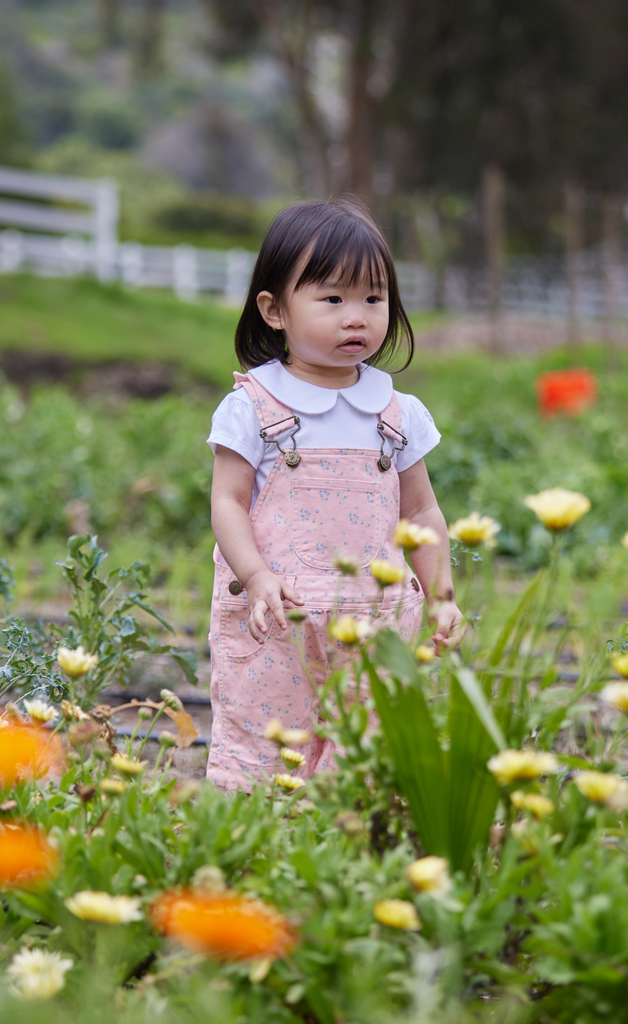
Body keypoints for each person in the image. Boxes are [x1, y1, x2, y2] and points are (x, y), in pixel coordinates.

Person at [205, 198, 465, 791]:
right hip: (277, 613)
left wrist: (444, 595)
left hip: (374, 618)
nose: (358, 317)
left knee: (367, 746)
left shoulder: (397, 412)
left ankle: (342, 849)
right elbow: (228, 503)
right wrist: (257, 575)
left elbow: (421, 510)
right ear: (274, 311)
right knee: (266, 746)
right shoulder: (253, 406)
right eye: (332, 299)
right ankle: (254, 848)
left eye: (374, 299)